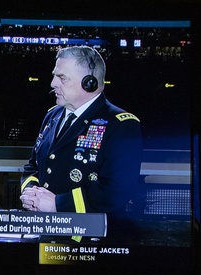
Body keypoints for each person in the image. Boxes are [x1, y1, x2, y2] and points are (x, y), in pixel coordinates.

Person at [19, 46, 142, 239]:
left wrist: (57, 205)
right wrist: (30, 194)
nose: (52, 83)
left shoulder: (121, 125)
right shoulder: (52, 115)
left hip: (93, 241)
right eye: (54, 76)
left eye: (62, 77)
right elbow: (33, 165)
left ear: (89, 83)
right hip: (46, 232)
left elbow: (116, 190)